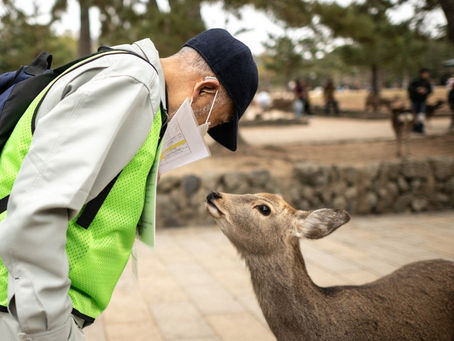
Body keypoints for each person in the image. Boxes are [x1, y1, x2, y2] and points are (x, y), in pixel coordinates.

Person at [0, 29, 258, 341]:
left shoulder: (137, 91)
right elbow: (37, 209)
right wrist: (50, 326)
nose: (205, 127)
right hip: (21, 312)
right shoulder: (131, 84)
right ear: (205, 90)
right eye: (214, 120)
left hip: (23, 304)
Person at [408, 68, 432, 134]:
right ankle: (414, 127)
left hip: (422, 101)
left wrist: (425, 91)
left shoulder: (427, 82)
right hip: (415, 100)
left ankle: (420, 127)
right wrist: (417, 90)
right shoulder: (415, 81)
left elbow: (430, 91)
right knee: (414, 114)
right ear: (421, 74)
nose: (427, 75)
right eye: (425, 73)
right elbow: (410, 88)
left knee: (421, 114)